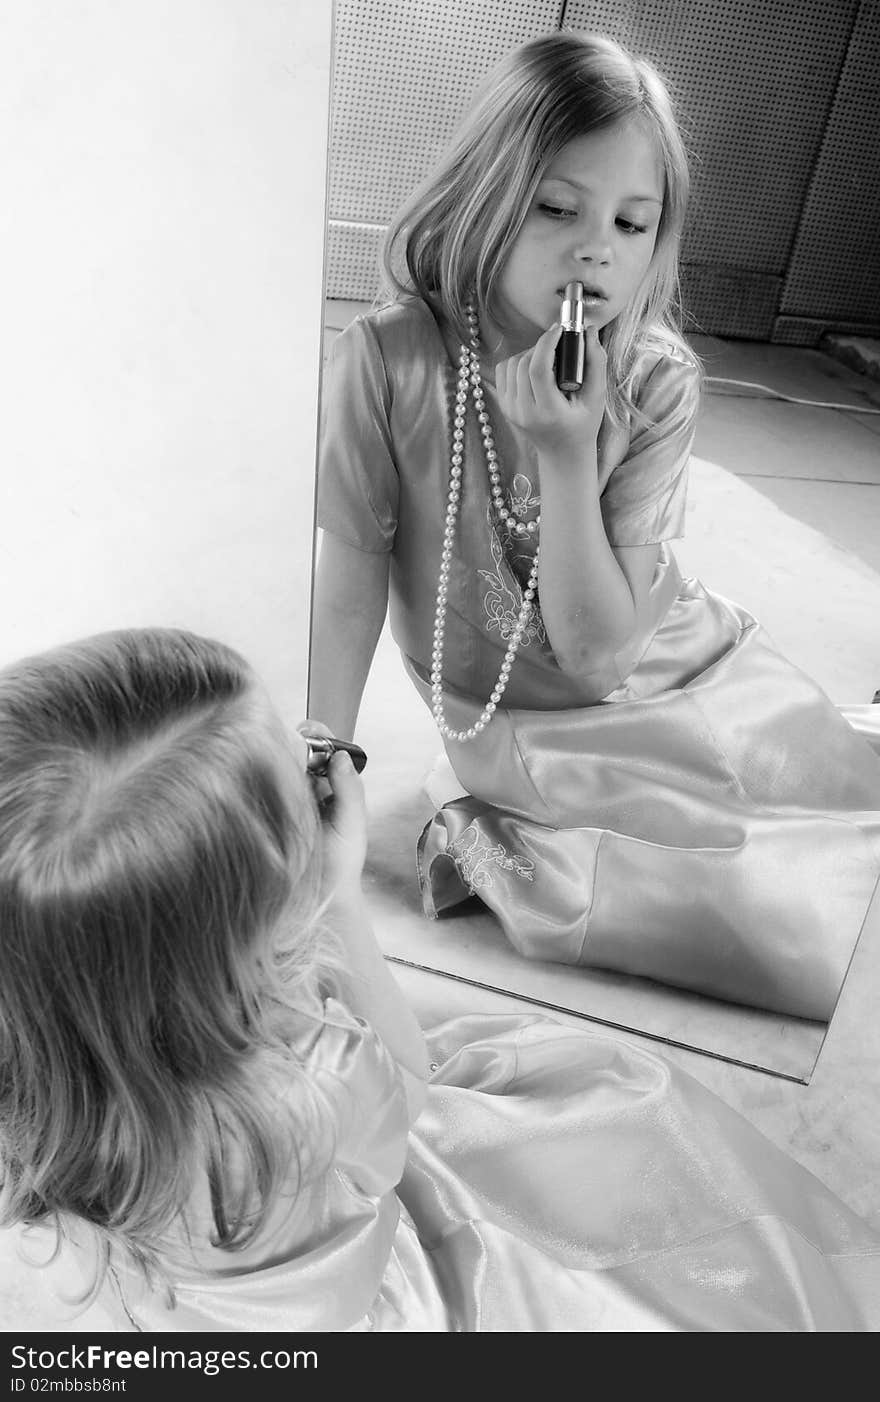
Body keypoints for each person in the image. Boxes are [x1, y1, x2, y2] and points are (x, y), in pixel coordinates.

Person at [2, 624, 880, 1333]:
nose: (316, 750)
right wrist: (341, 899)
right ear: (263, 920)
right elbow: (412, 1093)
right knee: (629, 1102)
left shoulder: (37, 1078)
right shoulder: (321, 1075)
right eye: (299, 767)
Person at [310, 30, 880, 1022]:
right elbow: (353, 565)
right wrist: (324, 746)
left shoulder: (654, 382)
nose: (595, 249)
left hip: (650, 675)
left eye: (632, 222)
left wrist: (570, 461)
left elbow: (597, 655)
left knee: (812, 859)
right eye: (556, 207)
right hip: (508, 722)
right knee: (672, 893)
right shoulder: (390, 359)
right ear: (483, 197)